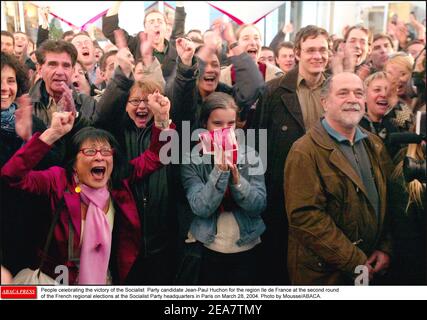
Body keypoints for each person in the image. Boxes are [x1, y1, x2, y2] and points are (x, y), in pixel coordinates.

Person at [1, 91, 174, 284]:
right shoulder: (58, 180)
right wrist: (52, 134)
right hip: (55, 283)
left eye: (106, 151)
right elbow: (11, 175)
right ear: (74, 162)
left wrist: (162, 118)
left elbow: (157, 156)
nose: (99, 157)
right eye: (90, 151)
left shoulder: (116, 183)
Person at [284, 72, 393, 285]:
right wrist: (354, 261)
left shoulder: (374, 144)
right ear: (324, 102)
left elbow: (390, 200)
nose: (352, 99)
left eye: (358, 93)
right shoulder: (304, 151)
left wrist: (385, 247)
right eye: (343, 93)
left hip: (370, 266)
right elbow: (305, 217)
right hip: (324, 275)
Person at [251, 25, 330, 284]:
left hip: (328, 192)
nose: (317, 55)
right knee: (279, 266)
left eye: (323, 49)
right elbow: (255, 142)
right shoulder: (273, 91)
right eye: (310, 50)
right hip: (281, 195)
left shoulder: (336, 90)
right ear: (297, 52)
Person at [178, 92, 266, 284]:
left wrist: (237, 181)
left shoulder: (250, 155)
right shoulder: (191, 159)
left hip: (247, 245)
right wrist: (219, 171)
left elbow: (259, 204)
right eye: (217, 124)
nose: (225, 130)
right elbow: (201, 207)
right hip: (208, 248)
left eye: (231, 124)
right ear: (205, 125)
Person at [1, 52, 60, 276]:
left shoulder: (29, 120)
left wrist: (30, 140)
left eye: (10, 80)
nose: (5, 88)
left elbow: (53, 164)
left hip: (29, 230)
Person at [102, 1, 185, 81]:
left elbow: (179, 24)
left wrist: (180, 3)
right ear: (145, 29)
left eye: (160, 21)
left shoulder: (176, 48)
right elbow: (110, 28)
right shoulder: (136, 45)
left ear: (166, 27)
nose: (156, 24)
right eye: (151, 22)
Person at [359, 71, 413, 158]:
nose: (384, 94)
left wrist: (396, 105)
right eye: (377, 90)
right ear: (364, 96)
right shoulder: (356, 125)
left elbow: (412, 129)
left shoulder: (398, 120)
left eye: (389, 91)